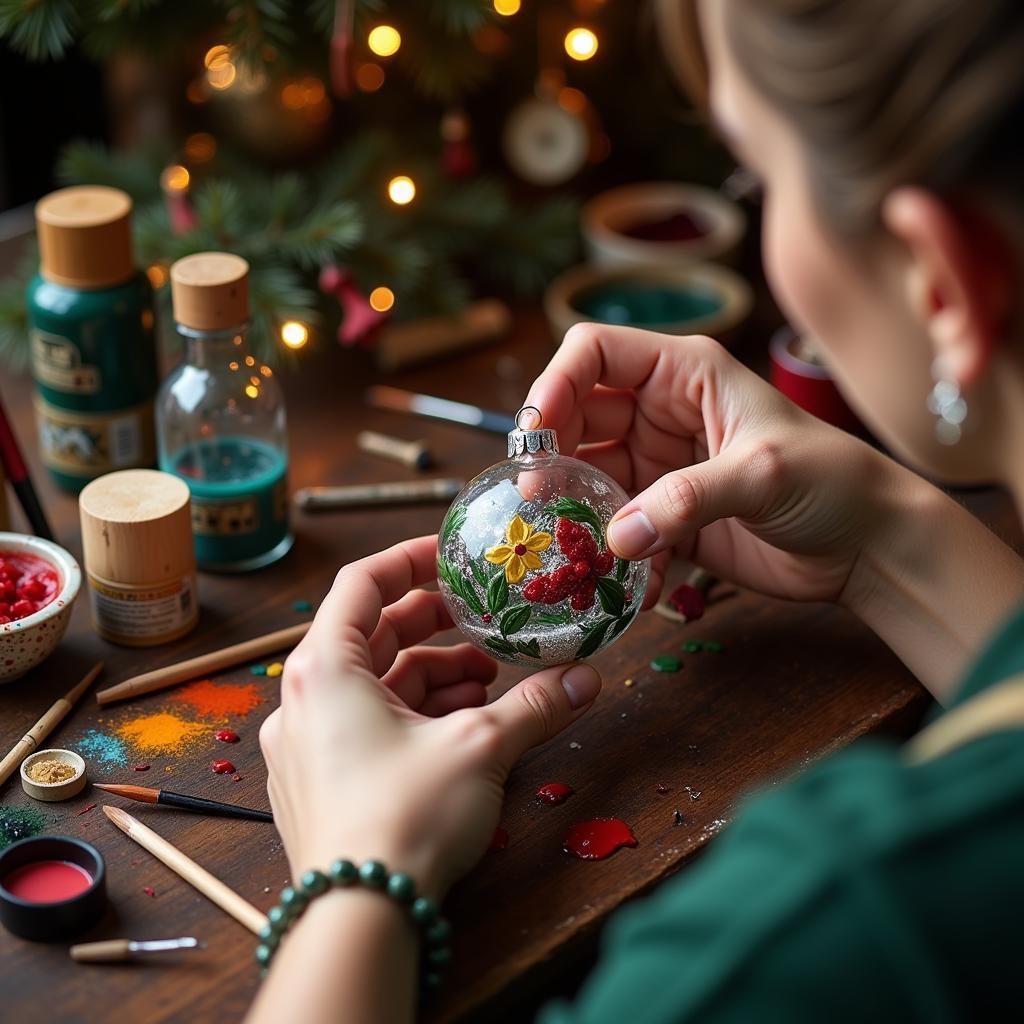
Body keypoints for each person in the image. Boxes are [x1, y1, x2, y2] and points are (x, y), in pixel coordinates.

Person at [247, 1, 1024, 1020]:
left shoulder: (816, 938)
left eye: (756, 175)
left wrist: (355, 883)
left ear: (939, 280)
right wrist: (878, 538)